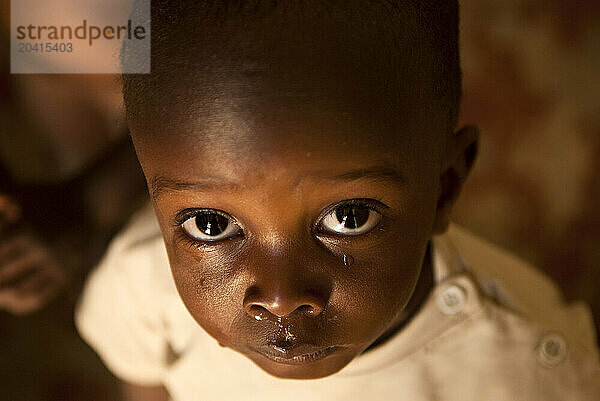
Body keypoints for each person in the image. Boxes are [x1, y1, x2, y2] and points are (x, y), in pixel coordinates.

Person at [75, 1, 600, 400]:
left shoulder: (530, 364)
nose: (280, 298)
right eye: (210, 225)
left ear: (445, 187)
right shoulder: (140, 283)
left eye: (349, 217)